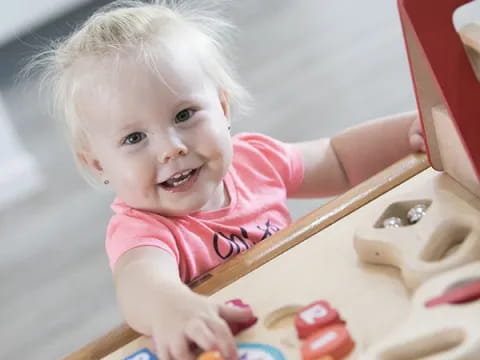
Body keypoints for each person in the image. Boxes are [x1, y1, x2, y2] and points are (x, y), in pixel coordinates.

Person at [29, 1, 425, 359]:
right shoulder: (142, 230)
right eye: (134, 138)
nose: (171, 148)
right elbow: (140, 282)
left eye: (184, 115)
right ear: (98, 165)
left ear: (221, 106)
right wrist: (172, 307)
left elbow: (339, 159)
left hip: (303, 318)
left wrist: (415, 127)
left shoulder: (254, 162)